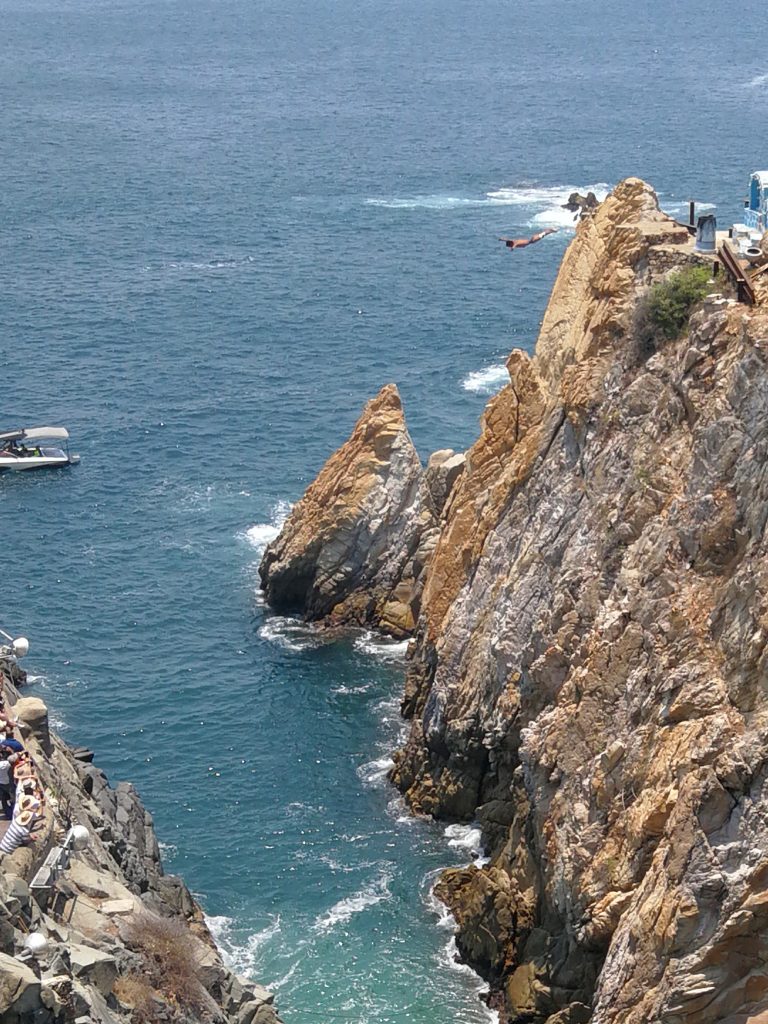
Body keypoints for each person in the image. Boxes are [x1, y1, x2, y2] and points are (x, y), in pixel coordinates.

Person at [0, 750, 14, 820]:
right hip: (9, 783)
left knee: (4, 800)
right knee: (13, 799)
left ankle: (8, 814)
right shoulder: (8, 763)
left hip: (1, 784)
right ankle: (14, 813)